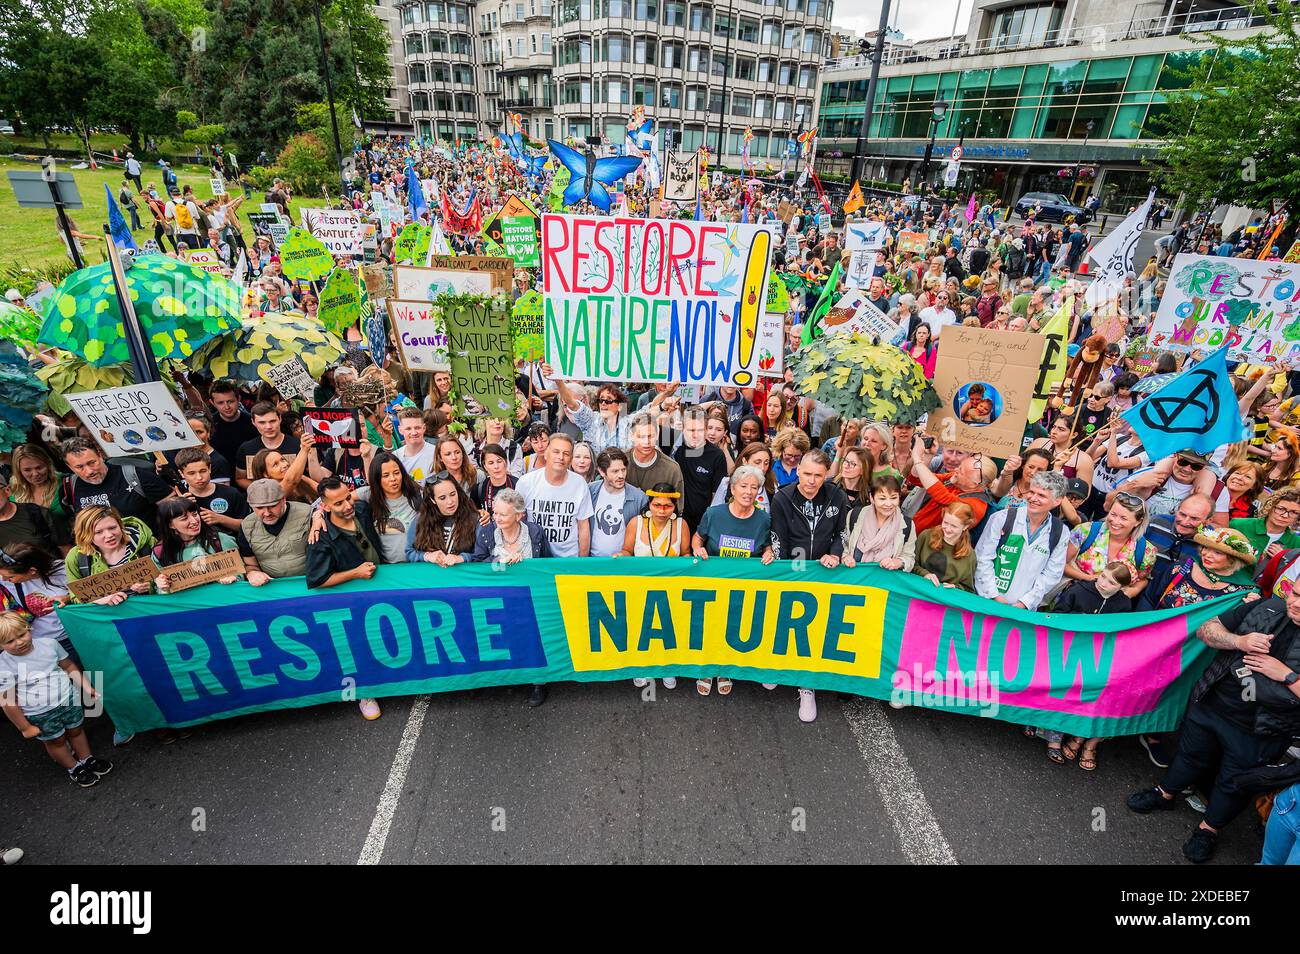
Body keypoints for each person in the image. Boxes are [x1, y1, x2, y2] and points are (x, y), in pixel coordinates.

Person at [1127, 585, 1300, 864]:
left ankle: (1209, 829)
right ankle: (1165, 793)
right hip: (1212, 704)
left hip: (1262, 730)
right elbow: (1207, 630)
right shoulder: (1264, 607)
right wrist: (1238, 642)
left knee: (1233, 783)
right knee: (1189, 755)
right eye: (1296, 594)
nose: (1296, 603)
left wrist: (1287, 675)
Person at [767, 450, 848, 724]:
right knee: (784, 624)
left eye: (818, 475)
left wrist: (835, 554)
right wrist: (786, 569)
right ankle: (777, 668)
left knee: (814, 631)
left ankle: (807, 685)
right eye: (807, 473)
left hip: (825, 573)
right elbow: (779, 536)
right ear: (798, 470)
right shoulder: (782, 497)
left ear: (826, 475)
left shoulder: (836, 496)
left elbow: (841, 533)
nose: (812, 481)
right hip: (793, 572)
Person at [0, 612, 112, 789]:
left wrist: (87, 687)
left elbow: (68, 666)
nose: (19, 642)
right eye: (9, 641)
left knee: (76, 730)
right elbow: (8, 701)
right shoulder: (3, 665)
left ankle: (87, 759)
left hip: (68, 700)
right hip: (39, 713)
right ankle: (74, 768)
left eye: (21, 635)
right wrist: (25, 727)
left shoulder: (49, 644)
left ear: (29, 628)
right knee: (56, 741)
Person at [306, 478, 384, 720]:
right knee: (358, 648)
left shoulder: (361, 509)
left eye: (348, 497)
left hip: (382, 592)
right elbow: (317, 580)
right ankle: (364, 694)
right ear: (326, 507)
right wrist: (355, 573)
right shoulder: (321, 537)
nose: (347, 505)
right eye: (338, 503)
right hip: (352, 603)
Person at [974, 471, 1069, 610]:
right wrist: (994, 595)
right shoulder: (1002, 518)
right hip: (986, 601)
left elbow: (1052, 573)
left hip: (1021, 610)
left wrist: (1025, 603)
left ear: (1057, 501)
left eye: (1041, 495)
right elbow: (982, 557)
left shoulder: (1060, 532)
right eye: (1031, 492)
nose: (1033, 498)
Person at [61, 437, 171, 531]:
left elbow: (173, 509)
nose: (89, 471)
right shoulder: (70, 486)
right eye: (80, 467)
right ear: (70, 467)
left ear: (100, 455)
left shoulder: (136, 475)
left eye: (92, 463)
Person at [1062, 494, 1154, 600]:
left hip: (1109, 608)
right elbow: (1061, 563)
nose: (1115, 522)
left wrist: (1133, 591)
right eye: (1113, 514)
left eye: (1123, 518)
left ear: (1138, 521)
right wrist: (1089, 578)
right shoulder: (1086, 531)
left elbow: (1142, 579)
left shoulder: (1145, 550)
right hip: (1072, 597)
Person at [63, 506, 156, 605]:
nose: (109, 535)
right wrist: (98, 599)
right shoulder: (77, 557)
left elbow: (168, 576)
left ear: (120, 525)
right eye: (98, 532)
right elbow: (75, 595)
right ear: (85, 535)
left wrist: (150, 585)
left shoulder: (146, 544)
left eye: (112, 528)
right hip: (110, 617)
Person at [907, 437, 996, 535]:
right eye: (960, 467)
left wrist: (917, 458)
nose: (956, 470)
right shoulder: (956, 479)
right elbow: (916, 479)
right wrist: (928, 455)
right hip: (913, 532)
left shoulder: (976, 505)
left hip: (931, 546)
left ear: (975, 483)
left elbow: (942, 496)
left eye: (961, 471)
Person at [0, 542, 74, 656]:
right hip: (38, 643)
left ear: (32, 571)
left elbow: (87, 594)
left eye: (10, 577)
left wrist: (68, 597)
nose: (4, 580)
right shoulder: (6, 582)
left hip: (73, 635)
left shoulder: (63, 570)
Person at [236, 478, 313, 585]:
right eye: (259, 507)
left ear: (283, 499)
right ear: (251, 506)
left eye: (272, 506)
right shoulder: (247, 526)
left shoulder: (308, 514)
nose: (267, 513)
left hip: (310, 583)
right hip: (272, 588)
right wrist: (252, 573)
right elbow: (251, 565)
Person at [151, 496, 239, 587]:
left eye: (195, 514)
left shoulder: (220, 540)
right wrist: (161, 585)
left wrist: (234, 577)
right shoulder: (160, 552)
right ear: (170, 525)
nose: (194, 521)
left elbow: (241, 572)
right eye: (184, 518)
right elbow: (155, 588)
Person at [353, 451, 422, 565]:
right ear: (377, 478)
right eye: (386, 475)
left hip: (415, 566)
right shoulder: (368, 494)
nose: (393, 479)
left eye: (396, 473)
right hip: (384, 568)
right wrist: (318, 515)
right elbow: (337, 500)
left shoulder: (416, 494)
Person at [841, 475, 916, 570]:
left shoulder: (906, 524)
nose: (888, 504)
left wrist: (898, 562)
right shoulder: (855, 515)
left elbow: (909, 557)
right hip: (855, 580)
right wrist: (845, 558)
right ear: (872, 498)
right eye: (882, 498)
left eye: (893, 498)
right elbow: (843, 545)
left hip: (884, 583)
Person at [673, 408, 727, 531]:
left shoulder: (716, 456)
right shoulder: (675, 448)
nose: (695, 435)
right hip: (675, 520)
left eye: (700, 430)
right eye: (691, 430)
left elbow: (717, 496)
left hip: (702, 523)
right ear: (682, 429)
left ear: (706, 430)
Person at [588, 447, 648, 558]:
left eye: (623, 470)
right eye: (615, 471)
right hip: (593, 561)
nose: (621, 475)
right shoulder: (590, 491)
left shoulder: (639, 498)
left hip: (624, 564)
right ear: (601, 471)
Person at [175, 448, 249, 534]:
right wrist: (181, 508)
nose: (199, 477)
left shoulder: (231, 493)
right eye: (191, 473)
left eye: (203, 471)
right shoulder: (179, 500)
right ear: (181, 473)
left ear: (209, 468)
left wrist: (220, 519)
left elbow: (248, 527)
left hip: (229, 545)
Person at [468, 488, 551, 563]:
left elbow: (548, 563)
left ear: (518, 516)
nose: (497, 518)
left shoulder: (536, 531)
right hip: (499, 580)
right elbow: (478, 564)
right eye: (495, 513)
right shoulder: (486, 532)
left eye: (503, 515)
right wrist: (500, 560)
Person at [912, 501, 977, 591]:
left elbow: (968, 589)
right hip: (916, 591)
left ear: (965, 527)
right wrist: (924, 574)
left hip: (941, 601)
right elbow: (910, 563)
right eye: (945, 522)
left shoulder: (969, 555)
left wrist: (956, 588)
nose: (948, 529)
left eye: (954, 526)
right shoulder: (926, 536)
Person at [234, 402, 301, 489]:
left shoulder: (298, 445)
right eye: (262, 423)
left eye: (272, 421)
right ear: (253, 422)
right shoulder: (246, 449)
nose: (268, 426)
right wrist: (263, 491)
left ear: (280, 418)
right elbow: (240, 478)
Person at [0, 473, 69, 557]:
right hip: (12, 569)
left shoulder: (37, 513)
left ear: (7, 491)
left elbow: (65, 548)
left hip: (50, 567)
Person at [624, 414, 684, 508]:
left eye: (650, 436)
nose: (646, 442)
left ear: (657, 435)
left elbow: (678, 507)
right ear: (632, 436)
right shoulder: (620, 462)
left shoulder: (672, 469)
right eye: (641, 436)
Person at [1230, 486, 1300, 561]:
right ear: (1270, 506)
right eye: (1280, 509)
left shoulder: (1297, 543)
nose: (1285, 515)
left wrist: (1284, 559)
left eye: (1294, 512)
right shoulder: (1238, 525)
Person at [393, 407, 438, 485]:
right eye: (408, 429)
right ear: (400, 430)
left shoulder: (436, 453)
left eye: (417, 428)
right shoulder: (395, 456)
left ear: (424, 428)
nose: (413, 433)